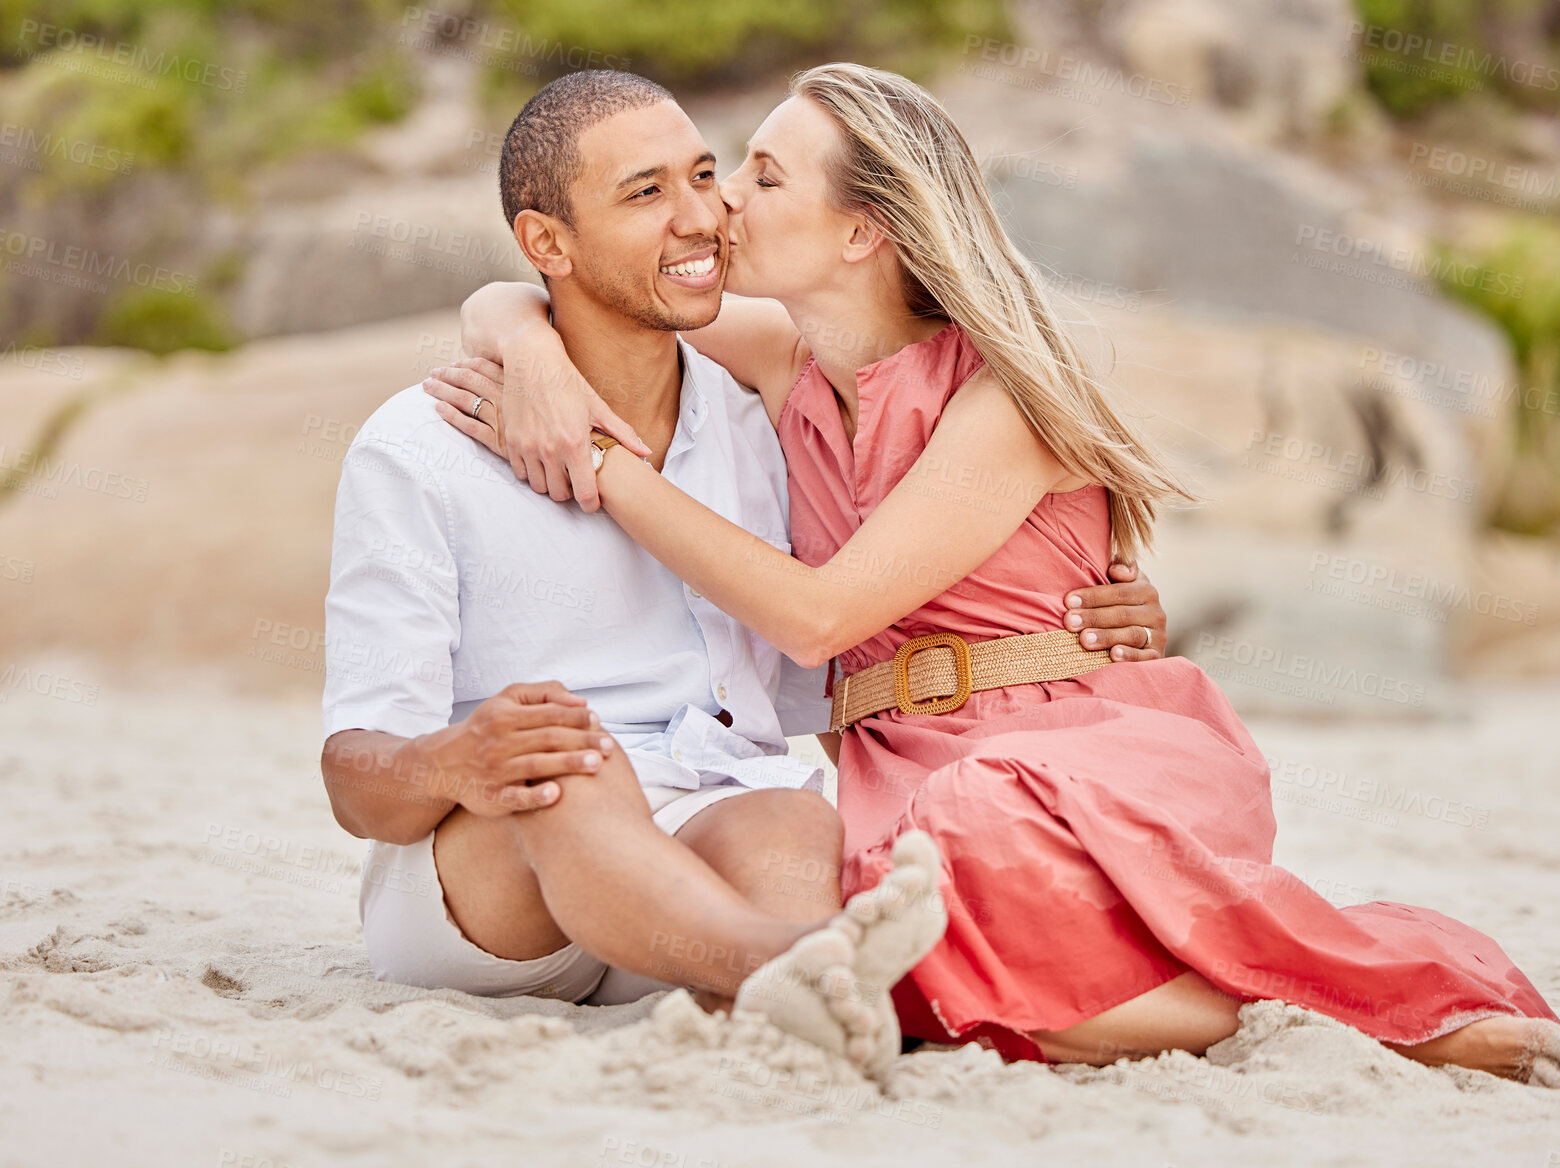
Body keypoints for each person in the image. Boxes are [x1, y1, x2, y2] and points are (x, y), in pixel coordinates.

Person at [429, 64, 1560, 1087]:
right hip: (902, 764)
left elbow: (816, 614)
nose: (723, 198)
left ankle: (1365, 1013)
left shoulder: (996, 401)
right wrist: (523, 342)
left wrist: (602, 467)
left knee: (958, 843)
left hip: (1070, 748)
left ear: (861, 232)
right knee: (899, 943)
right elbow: (532, 292)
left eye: (765, 175)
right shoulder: (789, 363)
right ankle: (1256, 1007)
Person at [321, 68, 1162, 1075]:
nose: (703, 216)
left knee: (791, 813)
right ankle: (802, 965)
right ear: (549, 243)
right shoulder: (424, 444)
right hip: (492, 890)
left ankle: (770, 988)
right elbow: (356, 781)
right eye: (645, 193)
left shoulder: (764, 416)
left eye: (710, 174)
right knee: (569, 762)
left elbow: (871, 593)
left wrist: (1081, 619)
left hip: (700, 841)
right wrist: (455, 761)